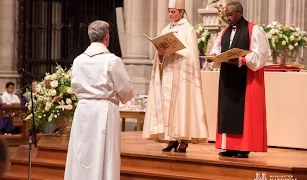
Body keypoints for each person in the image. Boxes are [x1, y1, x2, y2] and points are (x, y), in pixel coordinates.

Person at [64, 20, 133, 180]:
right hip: (104, 110)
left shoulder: (78, 60)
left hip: (83, 110)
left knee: (82, 152)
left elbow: (74, 86)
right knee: (104, 152)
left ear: (90, 37)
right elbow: (126, 90)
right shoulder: (112, 60)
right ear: (107, 37)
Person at [142, 0, 209, 153]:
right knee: (166, 107)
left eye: (173, 12)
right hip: (167, 72)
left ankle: (183, 141)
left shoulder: (188, 29)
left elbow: (192, 54)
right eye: (169, 11)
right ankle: (171, 139)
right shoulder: (165, 29)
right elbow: (159, 54)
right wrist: (160, 53)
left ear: (181, 12)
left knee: (182, 107)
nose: (170, 14)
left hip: (182, 76)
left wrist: (177, 50)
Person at [209, 1, 271, 158]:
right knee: (227, 112)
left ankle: (244, 148)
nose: (228, 18)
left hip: (246, 78)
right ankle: (229, 146)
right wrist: (214, 57)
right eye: (226, 15)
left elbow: (261, 55)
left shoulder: (254, 30)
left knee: (244, 113)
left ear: (240, 13)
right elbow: (216, 49)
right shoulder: (224, 32)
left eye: (231, 14)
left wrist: (242, 60)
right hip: (228, 77)